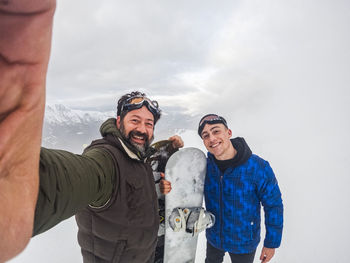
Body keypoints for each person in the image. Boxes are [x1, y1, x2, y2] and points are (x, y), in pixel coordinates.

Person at [0, 1, 56, 262]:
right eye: (135, 120)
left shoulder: (151, 156)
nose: (143, 129)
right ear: (118, 120)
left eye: (149, 124)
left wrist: (170, 147)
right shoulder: (105, 151)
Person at [197, 114, 283, 263]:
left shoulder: (258, 167)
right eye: (206, 135)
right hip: (214, 237)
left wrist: (271, 243)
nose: (211, 138)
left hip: (244, 241)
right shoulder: (205, 167)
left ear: (228, 133)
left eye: (216, 131)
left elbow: (273, 205)